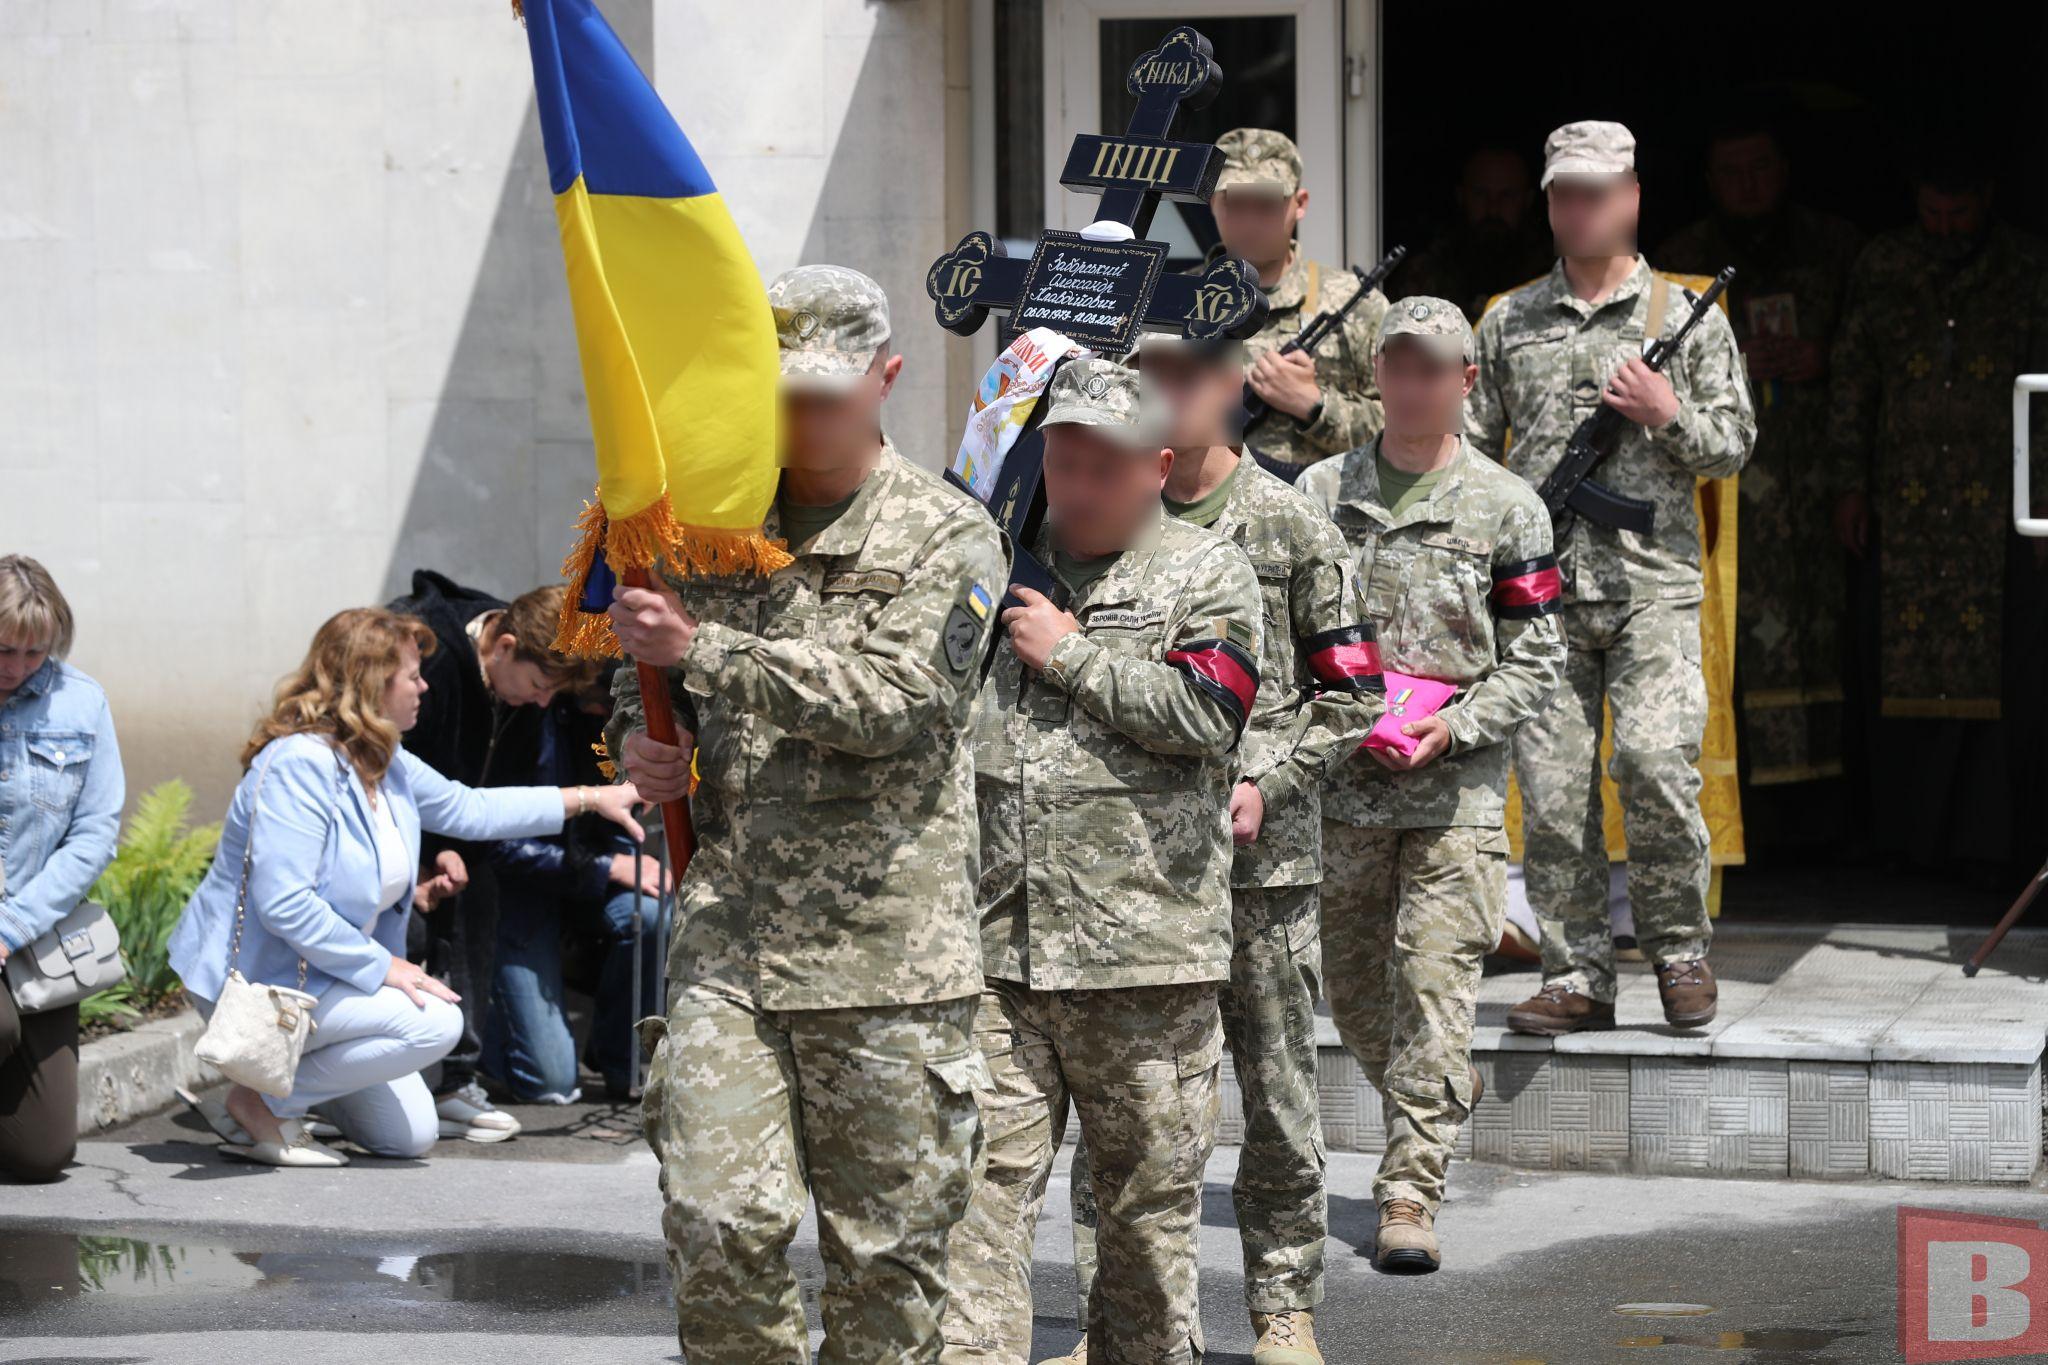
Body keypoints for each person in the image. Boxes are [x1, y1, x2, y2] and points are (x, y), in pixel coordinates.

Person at [606, 264, 1005, 1362]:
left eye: (821, 394)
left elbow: (899, 704)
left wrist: (708, 651)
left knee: (885, 1269)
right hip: (731, 944)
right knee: (716, 1222)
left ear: (886, 379)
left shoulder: (945, 534)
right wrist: (640, 743)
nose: (795, 416)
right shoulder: (706, 527)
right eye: (774, 391)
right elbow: (638, 688)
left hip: (887, 962)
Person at [1052, 337, 1382, 1365]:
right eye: (1150, 372)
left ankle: (1282, 1307)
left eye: (1191, 372)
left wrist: (1267, 779)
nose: (1171, 391)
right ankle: (1111, 1319)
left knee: (1275, 1094)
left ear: (1234, 383)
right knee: (1120, 1108)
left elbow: (1352, 689)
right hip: (1126, 871)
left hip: (1259, 869)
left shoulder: (1287, 522)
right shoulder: (1075, 523)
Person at [940, 357, 1264, 1365]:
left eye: (1102, 469)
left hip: (1143, 966)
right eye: (1063, 464)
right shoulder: (997, 567)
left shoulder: (1206, 572)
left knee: (1141, 1233)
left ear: (1157, 467)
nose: (1077, 489)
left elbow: (1208, 715)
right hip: (998, 954)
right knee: (971, 1212)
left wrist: (1068, 654)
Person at [167, 607, 644, 1167]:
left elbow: (470, 808)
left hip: (323, 977)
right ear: (372, 683)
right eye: (412, 675)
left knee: (409, 1137)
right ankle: (257, 1100)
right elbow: (285, 904)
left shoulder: (382, 756)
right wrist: (385, 966)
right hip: (266, 981)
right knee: (437, 1020)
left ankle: (276, 1099)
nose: (424, 687)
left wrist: (592, 798)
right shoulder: (299, 763)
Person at [1464, 121, 1755, 1036]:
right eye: (1564, 193)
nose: (1578, 209)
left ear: (1632, 196)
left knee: (1658, 767)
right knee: (1551, 794)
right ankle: (1578, 972)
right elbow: (1468, 450)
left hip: (1651, 587)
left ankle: (1678, 954)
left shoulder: (1683, 313)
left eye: (1596, 192)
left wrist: (1668, 415)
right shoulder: (1507, 319)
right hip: (1543, 596)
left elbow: (1734, 444)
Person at [1299, 298, 1567, 1272]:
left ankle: (1408, 1191)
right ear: (1375, 375)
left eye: (1432, 369)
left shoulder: (1508, 506)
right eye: (1396, 367)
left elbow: (1536, 661)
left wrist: (1449, 726)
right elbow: (1286, 636)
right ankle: (1435, 1094)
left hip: (1451, 792)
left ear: (1463, 383)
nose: (1411, 385)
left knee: (1432, 984)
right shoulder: (1316, 493)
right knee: (1358, 994)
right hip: (1344, 789)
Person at [1827, 144, 2048, 878]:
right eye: (1932, 213)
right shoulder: (1884, 266)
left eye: (1960, 214)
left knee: (2006, 665)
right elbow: (1854, 377)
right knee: (1897, 660)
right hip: (1906, 499)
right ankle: (1911, 844)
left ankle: (1995, 845)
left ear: (1986, 198)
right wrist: (1849, 483)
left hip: (2001, 501)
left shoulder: (2028, 267)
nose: (1946, 228)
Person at [1657, 118, 1862, 829]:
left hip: (1813, 477)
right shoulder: (1682, 261)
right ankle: (1749, 827)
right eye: (1731, 171)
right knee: (1730, 640)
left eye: (1760, 167)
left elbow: (1871, 357)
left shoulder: (1836, 248)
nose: (1747, 185)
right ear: (1711, 180)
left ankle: (1826, 821)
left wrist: (1821, 357)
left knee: (1822, 638)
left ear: (1784, 169)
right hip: (1724, 488)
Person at [383, 574, 597, 1141]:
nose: (542, 702)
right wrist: (426, 852)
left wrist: (454, 850)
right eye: (537, 683)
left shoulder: (519, 690)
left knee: (477, 909)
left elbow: (492, 795)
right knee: (399, 941)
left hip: (463, 836)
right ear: (504, 646)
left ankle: (455, 1078)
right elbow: (396, 772)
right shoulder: (427, 651)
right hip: (392, 836)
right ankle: (360, 1074)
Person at [478, 670, 666, 1104]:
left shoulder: (601, 719)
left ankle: (619, 1057)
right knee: (551, 1083)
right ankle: (469, 1032)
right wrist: (605, 867)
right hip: (521, 888)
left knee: (654, 910)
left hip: (583, 869)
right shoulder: (527, 709)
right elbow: (496, 844)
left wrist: (638, 860)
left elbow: (618, 818)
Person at [0, 556, 123, 1183]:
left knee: (40, 1156)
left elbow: (96, 833)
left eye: (33, 652)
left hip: (31, 939)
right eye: (2, 649)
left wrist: (10, 928)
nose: (16, 669)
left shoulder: (82, 703)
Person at [1211, 127, 1388, 473]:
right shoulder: (1172, 303)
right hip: (1196, 522)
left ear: (1300, 204)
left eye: (1266, 204)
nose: (1249, 220)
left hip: (1325, 519)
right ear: (1211, 201)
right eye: (1234, 202)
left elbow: (1410, 428)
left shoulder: (1355, 303)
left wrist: (1316, 406)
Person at [1401, 145, 1558, 324]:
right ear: (1461, 196)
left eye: (1507, 196)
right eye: (1480, 194)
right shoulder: (1425, 272)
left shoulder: (1553, 272)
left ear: (1527, 200)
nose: (1493, 208)